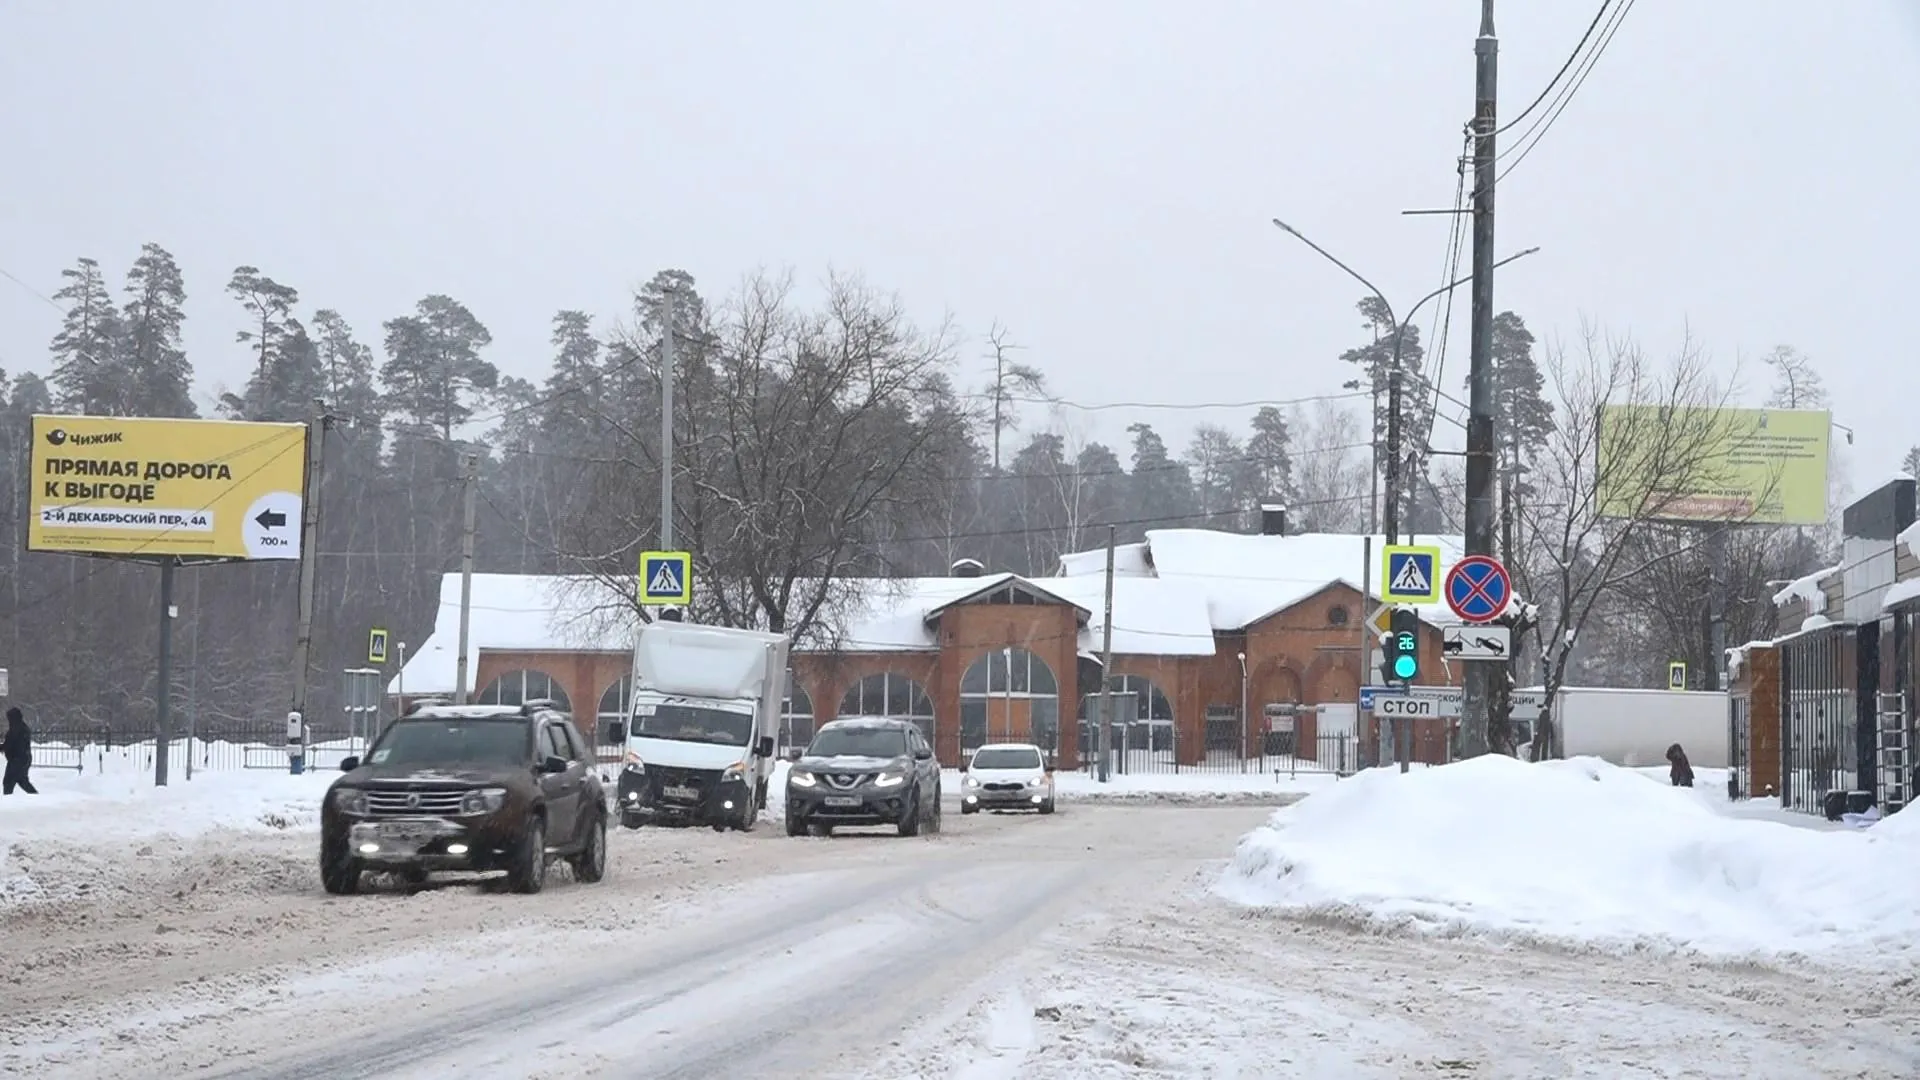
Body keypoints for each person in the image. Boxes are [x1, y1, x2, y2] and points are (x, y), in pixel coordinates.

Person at [4, 706, 37, 795]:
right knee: (22, 781)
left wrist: (4, 747)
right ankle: (36, 797)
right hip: (22, 759)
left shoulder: (17, 729)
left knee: (8, 782)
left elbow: (10, 744)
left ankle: (7, 801)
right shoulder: (21, 727)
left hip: (17, 760)